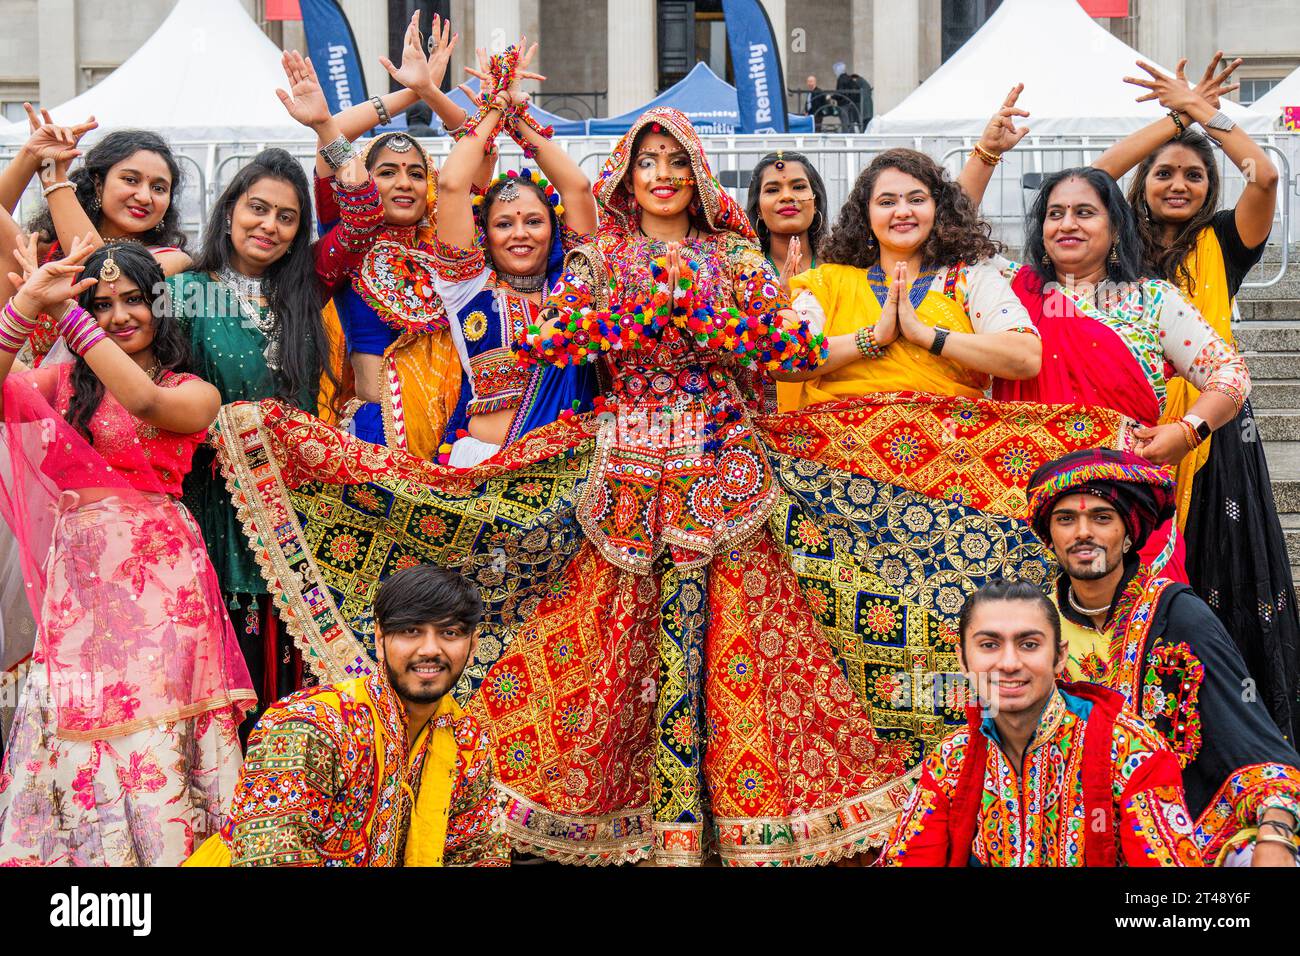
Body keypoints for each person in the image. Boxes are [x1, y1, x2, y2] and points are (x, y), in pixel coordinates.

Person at [210, 104, 1131, 866]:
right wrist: (613, 303)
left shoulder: (733, 260)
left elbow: (787, 352)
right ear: (629, 174)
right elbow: (550, 341)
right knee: (611, 647)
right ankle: (632, 826)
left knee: (743, 640)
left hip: (726, 469)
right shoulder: (597, 262)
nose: (659, 173)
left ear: (694, 173)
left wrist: (860, 339)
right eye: (645, 160)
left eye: (673, 160)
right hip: (621, 474)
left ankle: (727, 827)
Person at [0, 238, 254, 865]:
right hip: (80, 577)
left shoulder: (193, 389)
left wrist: (71, 316)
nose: (119, 315)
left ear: (161, 306)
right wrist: (25, 306)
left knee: (157, 713)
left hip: (160, 575)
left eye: (134, 299)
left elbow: (144, 403)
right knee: (75, 709)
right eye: (103, 303)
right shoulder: (60, 383)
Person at [1091, 54, 1299, 742]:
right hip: (1135, 428)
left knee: (1220, 580)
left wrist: (1208, 117)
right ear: (1143, 187)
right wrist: (1174, 119)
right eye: (1165, 172)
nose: (1177, 183)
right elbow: (1098, 174)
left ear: (1209, 189)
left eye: (1193, 173)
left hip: (1212, 436)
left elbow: (1264, 174)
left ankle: (1232, 735)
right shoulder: (1113, 250)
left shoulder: (1224, 241)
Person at [968, 163, 1251, 580]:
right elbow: (949, 226)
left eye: (1085, 212)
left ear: (1116, 228)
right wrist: (987, 154)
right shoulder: (1009, 289)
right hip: (1021, 506)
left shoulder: (1152, 300)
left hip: (1125, 506)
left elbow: (1230, 372)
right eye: (1055, 213)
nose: (1068, 224)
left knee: (1137, 634)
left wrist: (1188, 430)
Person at [1026, 449, 1300, 867]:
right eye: (1066, 520)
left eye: (1102, 518)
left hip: (1179, 829)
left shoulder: (1178, 614)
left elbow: (1249, 737)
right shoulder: (1032, 628)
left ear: (1129, 533)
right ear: (1050, 537)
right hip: (1062, 834)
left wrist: (1276, 837)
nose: (1083, 533)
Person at [168, 148, 337, 732]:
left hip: (297, 507)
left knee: (292, 658)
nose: (268, 225)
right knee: (225, 654)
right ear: (229, 211)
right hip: (212, 500)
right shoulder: (185, 289)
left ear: (297, 234)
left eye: (286, 217)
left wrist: (326, 130)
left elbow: (361, 222)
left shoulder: (304, 293)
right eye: (257, 208)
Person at [187, 564, 508, 866]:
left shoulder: (466, 743)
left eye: (449, 633)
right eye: (411, 631)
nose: (429, 649)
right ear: (380, 641)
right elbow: (269, 858)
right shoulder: (310, 726)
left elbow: (476, 853)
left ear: (473, 645)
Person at [881, 580, 1201, 866]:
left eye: (1029, 644)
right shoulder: (953, 758)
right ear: (964, 660)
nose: (1008, 663)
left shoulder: (1131, 751)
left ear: (1059, 656)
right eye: (989, 645)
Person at [280, 17, 476, 458]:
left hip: (459, 432)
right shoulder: (350, 236)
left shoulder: (451, 246)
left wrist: (430, 93)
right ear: (364, 181)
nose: (404, 183)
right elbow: (337, 143)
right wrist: (405, 95)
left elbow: (474, 146)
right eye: (387, 172)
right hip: (379, 433)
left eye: (415, 173)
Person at [432, 39, 599, 466]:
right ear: (483, 237)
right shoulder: (467, 288)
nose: (519, 234)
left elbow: (577, 189)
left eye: (533, 221)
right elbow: (452, 184)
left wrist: (518, 116)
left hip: (571, 471)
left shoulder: (573, 286)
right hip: (483, 467)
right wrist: (494, 106)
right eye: (504, 224)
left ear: (554, 228)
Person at [779, 148, 1040, 412]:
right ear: (865, 215)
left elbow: (1025, 356)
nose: (902, 212)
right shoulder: (828, 281)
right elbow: (784, 360)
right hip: (841, 444)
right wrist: (871, 338)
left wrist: (928, 336)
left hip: (951, 440)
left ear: (938, 209)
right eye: (887, 202)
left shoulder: (967, 277)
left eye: (916, 200)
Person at [3, 113, 191, 363]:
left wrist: (52, 175)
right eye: (130, 180)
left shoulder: (171, 260)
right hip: (30, 389)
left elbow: (104, 269)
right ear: (98, 184)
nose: (145, 197)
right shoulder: (43, 253)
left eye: (159, 188)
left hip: (110, 397)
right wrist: (33, 155)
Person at [745, 149, 828, 293]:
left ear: (815, 203)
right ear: (758, 209)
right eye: (772, 190)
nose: (787, 196)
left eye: (799, 187)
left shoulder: (839, 265)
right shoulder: (744, 272)